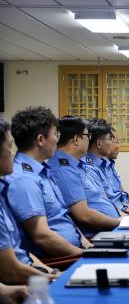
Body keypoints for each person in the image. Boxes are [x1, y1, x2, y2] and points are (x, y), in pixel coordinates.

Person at [5, 107, 84, 258]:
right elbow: (42, 236)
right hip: (59, 260)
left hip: (75, 251)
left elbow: (63, 217)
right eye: (56, 134)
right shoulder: (24, 179)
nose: (58, 139)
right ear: (41, 140)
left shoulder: (43, 171)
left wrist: (88, 246)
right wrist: (84, 255)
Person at [47, 116, 120, 238]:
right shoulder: (63, 168)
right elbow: (83, 215)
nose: (89, 140)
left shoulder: (77, 164)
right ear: (76, 139)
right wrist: (119, 223)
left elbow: (99, 199)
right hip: (96, 234)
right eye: (87, 136)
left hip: (107, 229)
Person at [0, 119, 52, 284]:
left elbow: (22, 252)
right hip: (22, 282)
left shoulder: (1, 192)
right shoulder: (22, 179)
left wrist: (52, 273)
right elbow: (10, 271)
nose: (13, 154)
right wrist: (55, 278)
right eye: (9, 147)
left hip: (32, 272)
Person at [84, 119, 128, 214]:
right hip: (115, 217)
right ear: (99, 143)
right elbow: (102, 204)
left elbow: (120, 194)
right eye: (110, 139)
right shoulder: (89, 168)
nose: (112, 144)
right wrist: (124, 215)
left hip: (123, 210)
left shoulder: (105, 164)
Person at [102, 128, 129, 209]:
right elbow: (104, 203)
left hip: (124, 207)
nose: (119, 147)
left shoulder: (110, 165)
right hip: (116, 214)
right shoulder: (94, 167)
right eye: (116, 142)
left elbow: (122, 192)